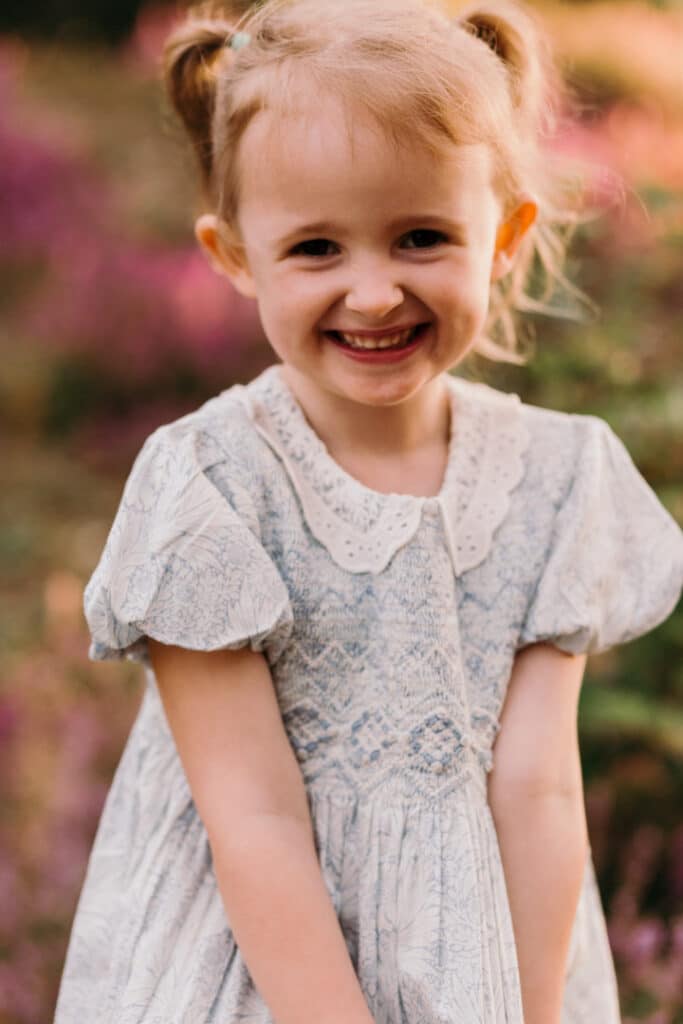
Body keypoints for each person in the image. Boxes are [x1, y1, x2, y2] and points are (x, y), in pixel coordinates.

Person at [53, 0, 683, 1021]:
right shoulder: (213, 485)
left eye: (421, 235)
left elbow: (537, 792)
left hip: (483, 958)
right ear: (233, 255)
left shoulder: (554, 480)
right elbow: (250, 817)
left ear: (504, 235)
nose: (375, 292)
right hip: (263, 969)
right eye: (315, 250)